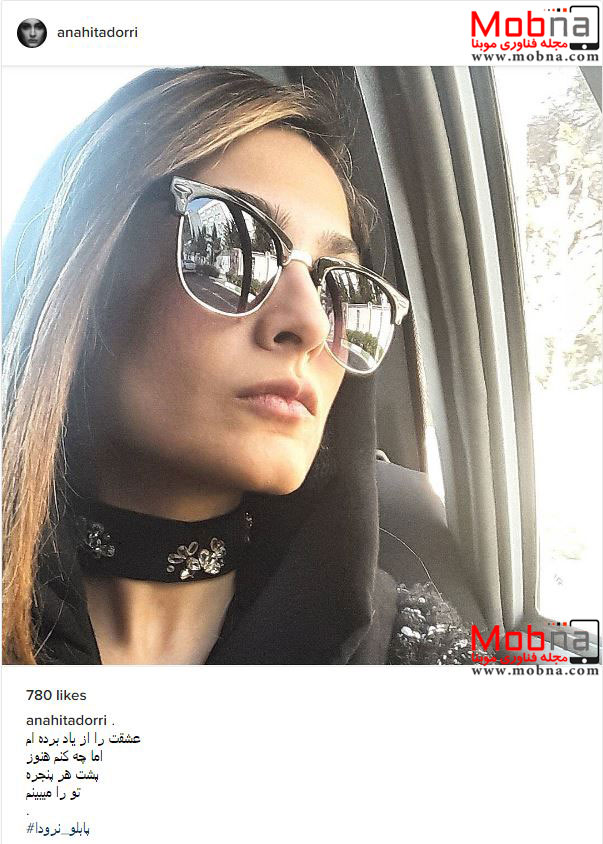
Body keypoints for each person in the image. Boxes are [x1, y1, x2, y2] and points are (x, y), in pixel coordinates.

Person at [2, 67, 486, 665]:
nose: (311, 324)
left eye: (342, 287)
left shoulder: (417, 663)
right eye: (236, 243)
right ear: (87, 264)